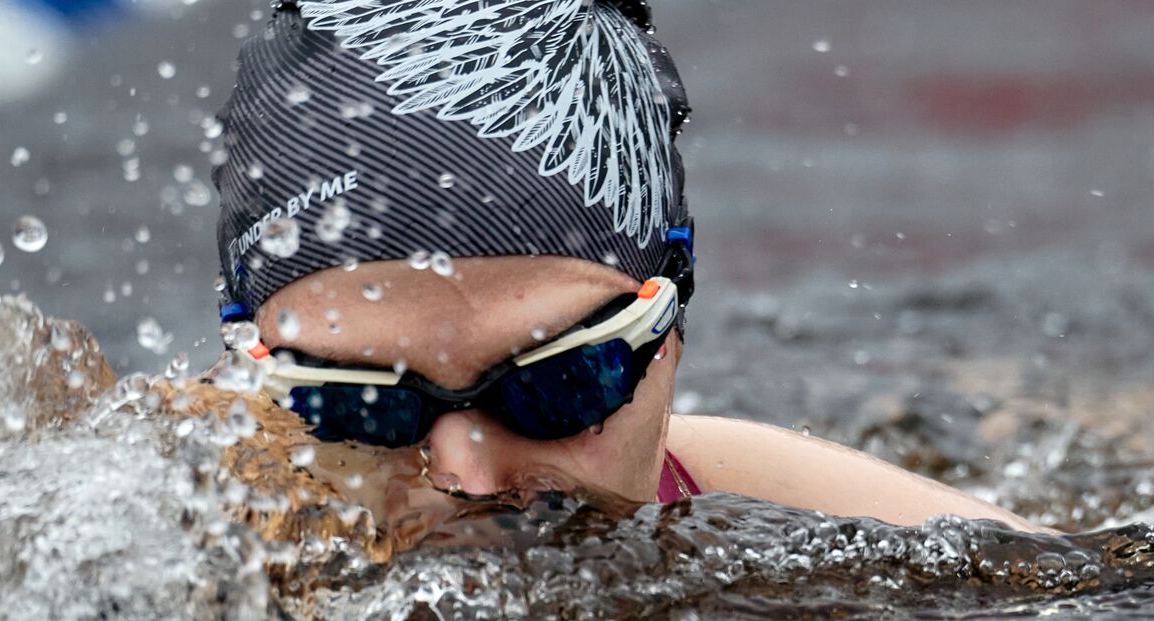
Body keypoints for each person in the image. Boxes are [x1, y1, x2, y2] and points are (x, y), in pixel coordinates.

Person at [208, 0, 1044, 534]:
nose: (468, 477)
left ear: (670, 329)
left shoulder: (793, 514)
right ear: (246, 378)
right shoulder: (156, 544)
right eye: (356, 404)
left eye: (564, 383)